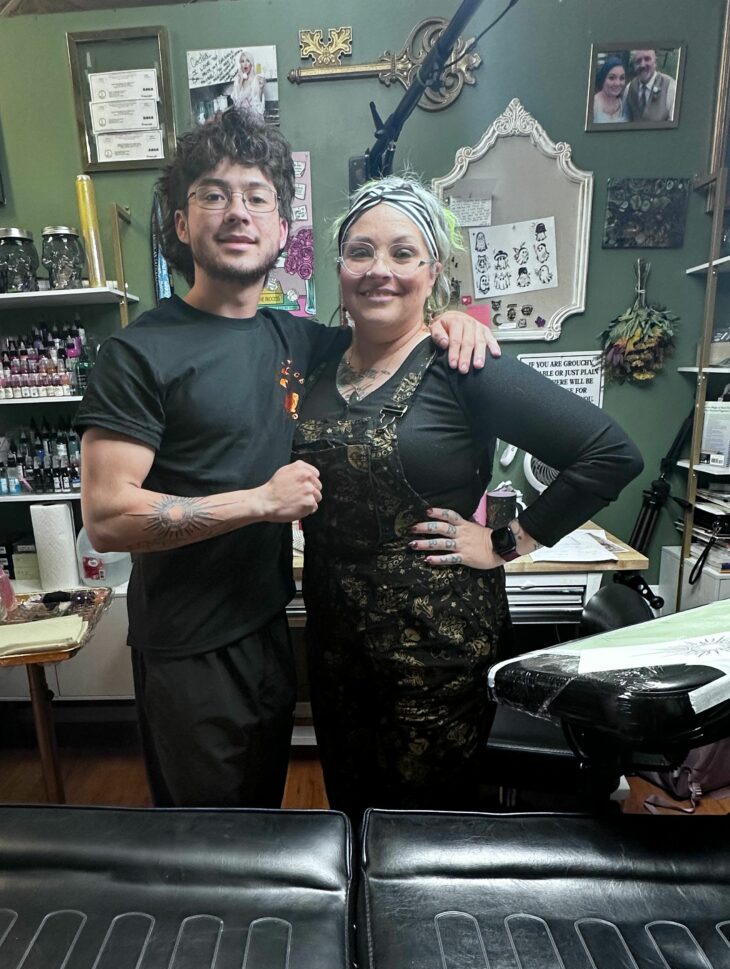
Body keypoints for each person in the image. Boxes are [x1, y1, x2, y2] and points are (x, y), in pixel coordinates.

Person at [76, 109, 498, 810]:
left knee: (266, 833)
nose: (237, 212)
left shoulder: (300, 340)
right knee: (212, 848)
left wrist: (451, 320)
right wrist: (260, 503)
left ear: (281, 230)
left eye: (257, 196)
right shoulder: (138, 352)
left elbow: (390, 327)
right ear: (181, 223)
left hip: (271, 630)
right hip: (189, 649)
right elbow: (108, 518)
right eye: (213, 194)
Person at [292, 175, 644, 821]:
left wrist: (505, 542)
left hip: (435, 651)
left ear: (432, 273)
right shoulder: (314, 364)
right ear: (339, 270)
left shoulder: (463, 365)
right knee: (349, 810)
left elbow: (610, 454)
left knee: (421, 826)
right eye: (361, 252)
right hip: (335, 648)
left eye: (403, 253)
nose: (379, 269)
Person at [625, 49, 677, 122]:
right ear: (633, 65)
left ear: (655, 62)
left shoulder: (671, 87)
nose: (642, 65)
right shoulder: (629, 88)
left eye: (647, 59)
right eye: (638, 61)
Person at [591, 55, 628, 124]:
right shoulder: (592, 104)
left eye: (622, 78)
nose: (617, 83)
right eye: (612, 78)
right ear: (603, 79)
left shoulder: (623, 104)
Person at [228, 51, 266, 119]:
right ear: (240, 64)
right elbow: (236, 103)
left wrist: (261, 88)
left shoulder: (256, 79)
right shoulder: (237, 80)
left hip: (255, 118)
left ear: (251, 64)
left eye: (248, 61)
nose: (245, 64)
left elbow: (258, 105)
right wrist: (241, 81)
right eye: (242, 61)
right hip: (241, 118)